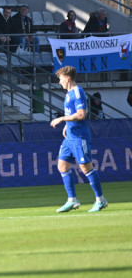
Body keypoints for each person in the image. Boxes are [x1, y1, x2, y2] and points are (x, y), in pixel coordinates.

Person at [50, 66, 107, 213]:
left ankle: (100, 200)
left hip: (79, 137)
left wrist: (62, 119)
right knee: (62, 166)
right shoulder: (69, 94)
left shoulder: (77, 92)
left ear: (67, 79)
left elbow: (81, 115)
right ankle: (72, 200)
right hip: (70, 136)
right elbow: (73, 114)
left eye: (60, 79)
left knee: (85, 168)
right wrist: (67, 126)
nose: (59, 82)